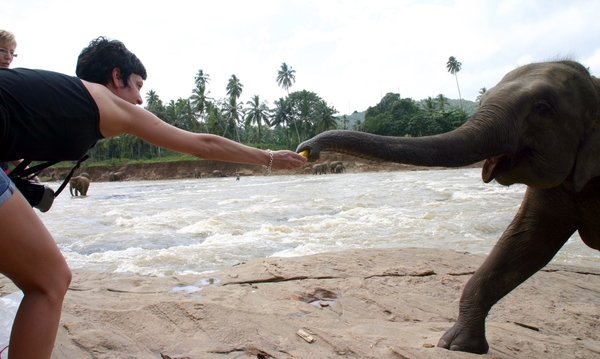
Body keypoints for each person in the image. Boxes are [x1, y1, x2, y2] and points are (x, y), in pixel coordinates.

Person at [0, 36, 306, 358]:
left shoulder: (58, 95)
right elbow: (204, 145)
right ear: (116, 77)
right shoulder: (103, 100)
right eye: (137, 85)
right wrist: (269, 157)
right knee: (50, 282)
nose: (140, 100)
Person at [0, 30, 25, 176]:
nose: (8, 57)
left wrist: (26, 170)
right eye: (2, 50)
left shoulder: (7, 88)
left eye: (12, 53)